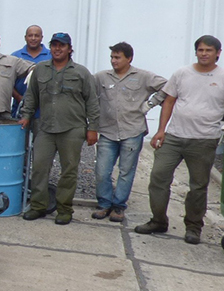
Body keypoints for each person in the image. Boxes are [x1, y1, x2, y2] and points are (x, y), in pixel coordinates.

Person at [135, 35, 224, 245]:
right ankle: (158, 221)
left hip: (204, 140)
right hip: (174, 137)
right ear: (196, 52)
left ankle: (193, 228)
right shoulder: (182, 73)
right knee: (158, 178)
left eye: (209, 50)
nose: (204, 54)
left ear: (217, 53)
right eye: (200, 50)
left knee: (198, 186)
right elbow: (169, 101)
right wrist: (161, 130)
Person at [18, 32, 99, 225]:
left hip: (72, 128)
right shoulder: (40, 70)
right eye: (54, 45)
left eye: (62, 45)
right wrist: (26, 116)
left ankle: (64, 209)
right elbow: (31, 96)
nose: (57, 48)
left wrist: (93, 128)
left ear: (70, 49)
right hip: (45, 127)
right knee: (39, 168)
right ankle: (38, 206)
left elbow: (92, 101)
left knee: (68, 171)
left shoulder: (81, 72)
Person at [93, 42, 167, 222]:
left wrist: (150, 104)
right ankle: (104, 204)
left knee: (126, 171)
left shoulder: (143, 76)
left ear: (129, 58)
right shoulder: (102, 77)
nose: (113, 61)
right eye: (112, 57)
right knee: (102, 170)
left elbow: (168, 87)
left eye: (117, 57)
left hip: (132, 131)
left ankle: (118, 207)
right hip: (108, 132)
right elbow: (89, 96)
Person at [11, 25, 52, 121]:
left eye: (36, 36)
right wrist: (19, 97)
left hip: (44, 110)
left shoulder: (51, 56)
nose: (33, 38)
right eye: (30, 35)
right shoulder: (15, 57)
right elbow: (8, 82)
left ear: (42, 38)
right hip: (20, 107)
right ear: (25, 37)